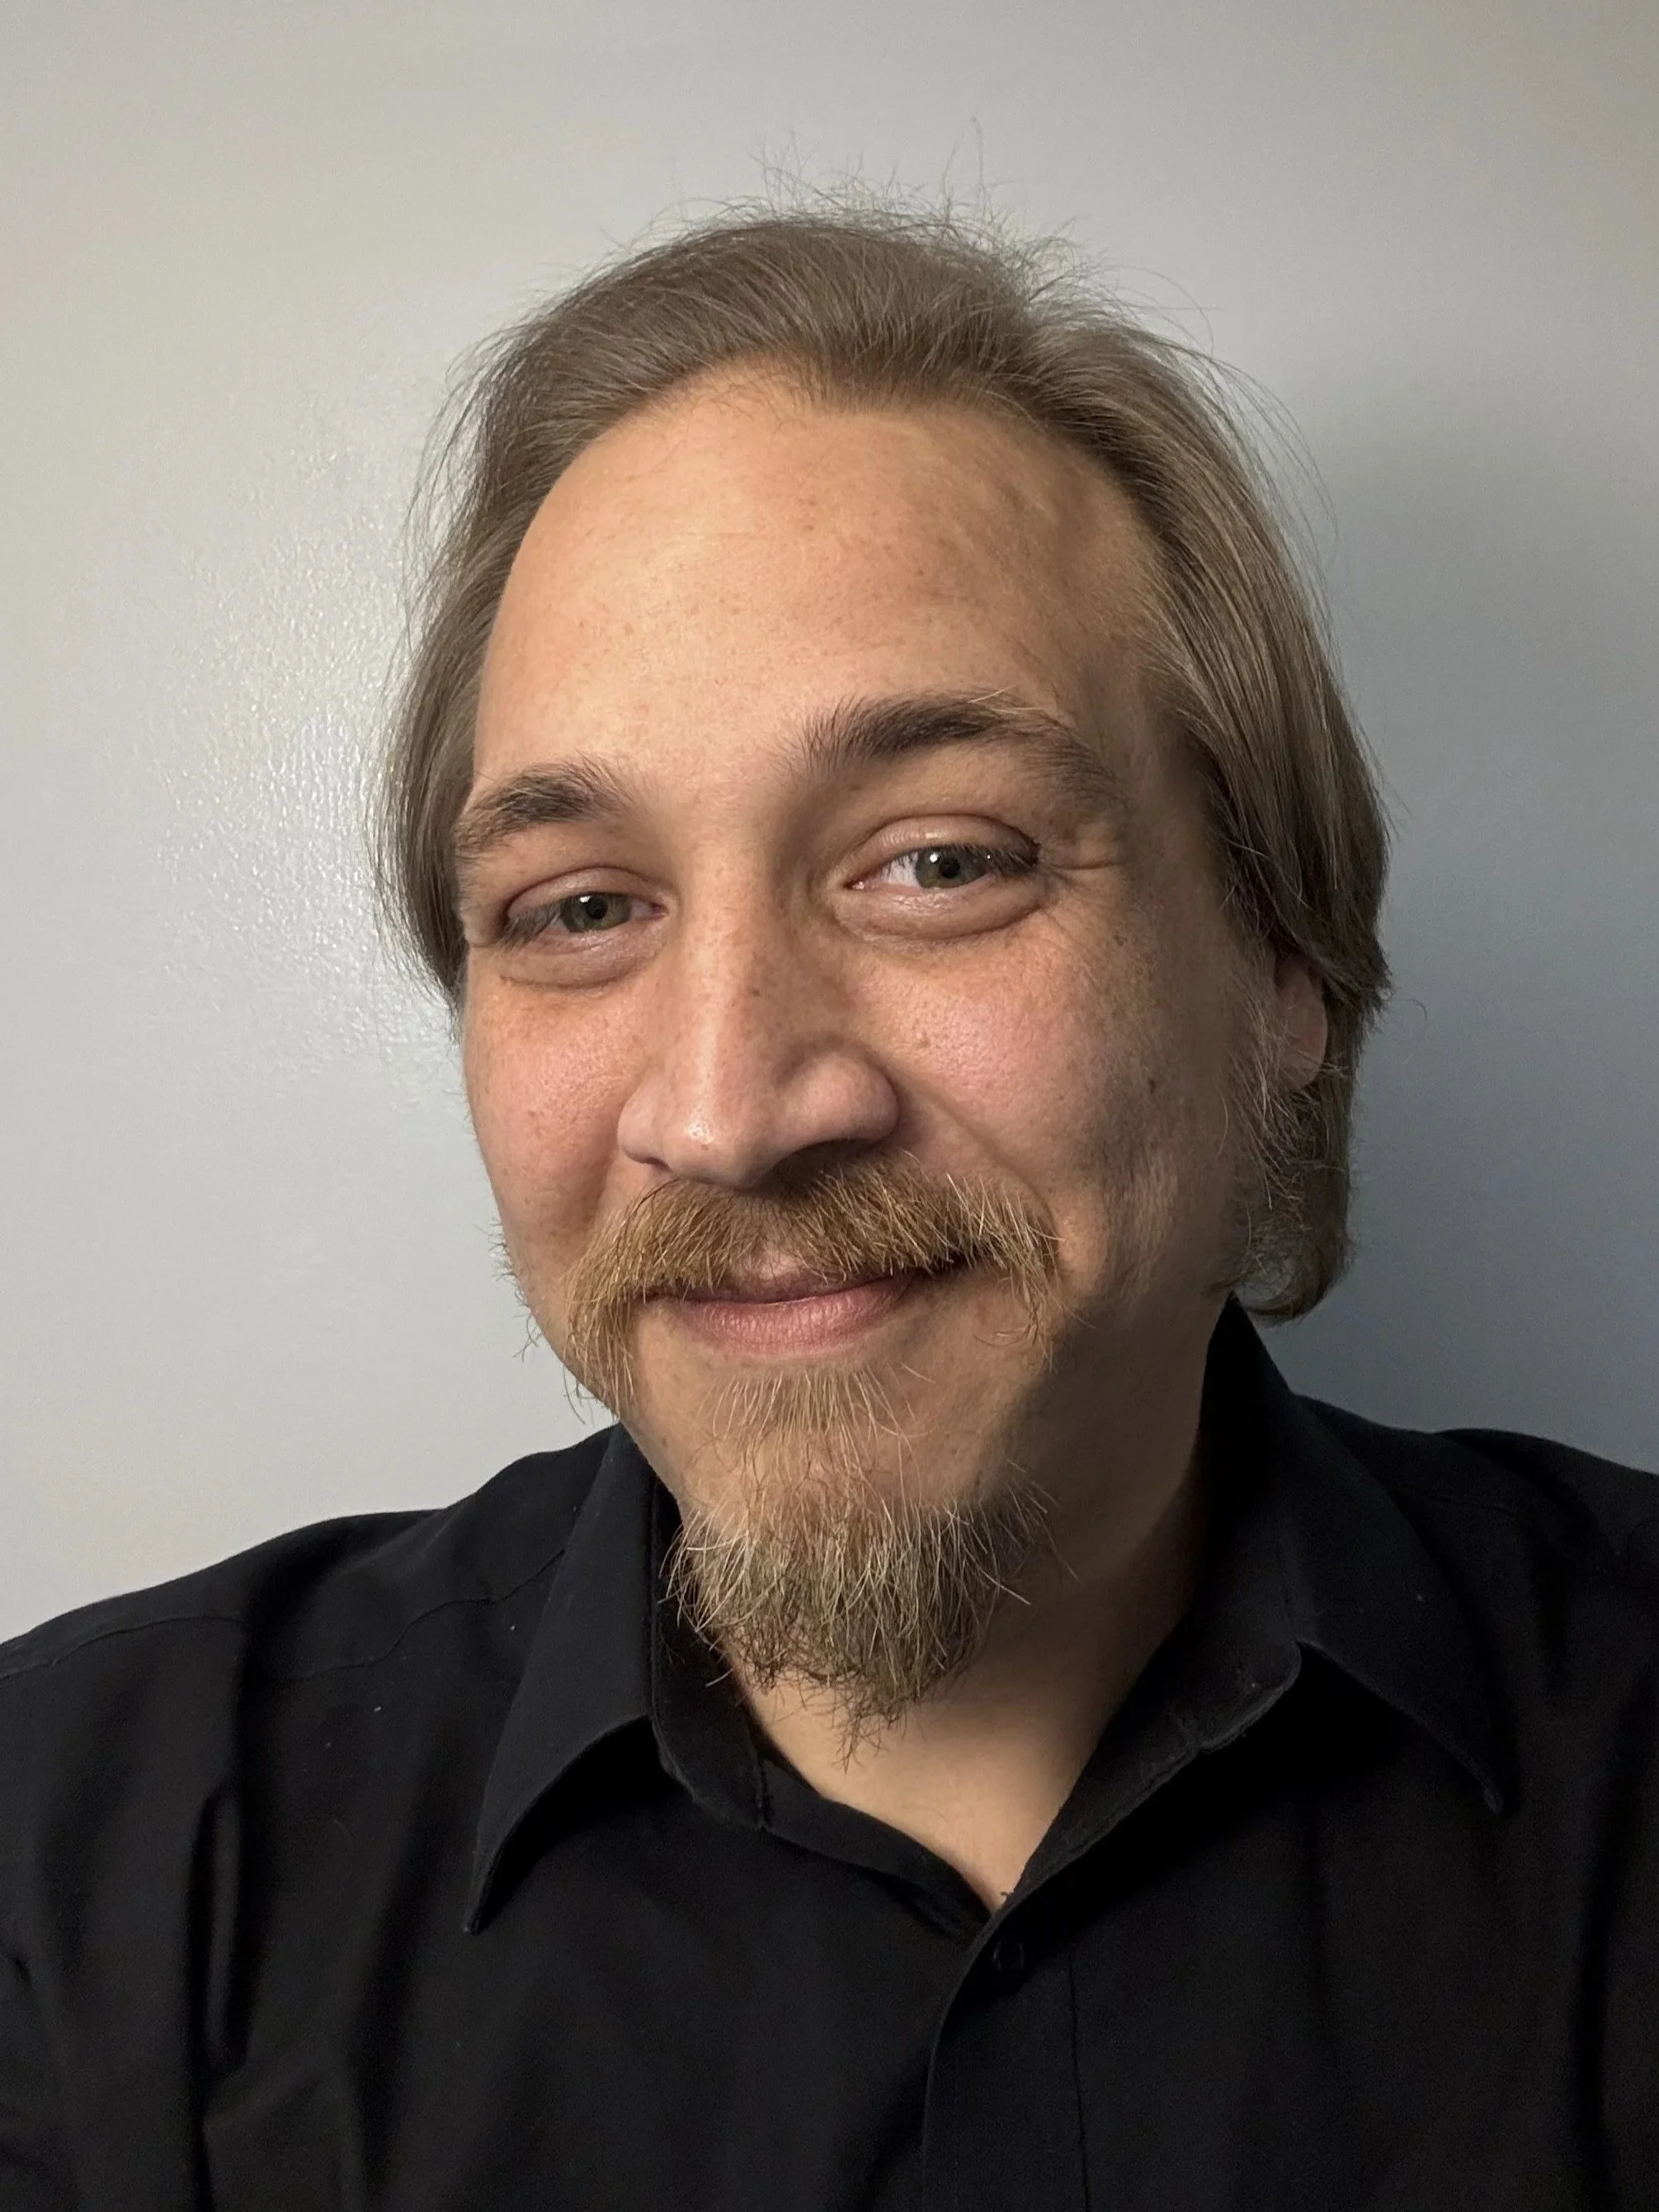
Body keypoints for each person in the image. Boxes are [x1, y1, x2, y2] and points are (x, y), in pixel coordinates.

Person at [2, 200, 1654, 2212]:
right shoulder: (73, 1869)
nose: (724, 1110)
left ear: (1283, 973)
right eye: (583, 909)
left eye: (938, 861)